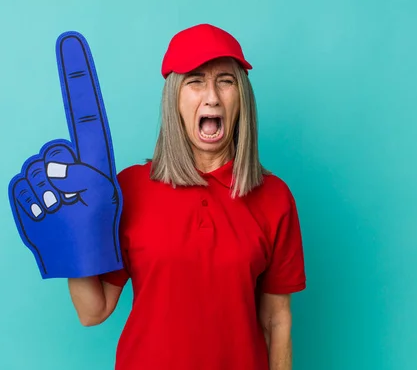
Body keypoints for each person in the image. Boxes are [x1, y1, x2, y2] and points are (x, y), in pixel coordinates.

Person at [67, 23, 306, 370]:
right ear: (174, 99)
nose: (211, 96)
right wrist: (72, 239)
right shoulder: (130, 189)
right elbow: (93, 311)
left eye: (225, 81)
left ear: (242, 97)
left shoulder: (273, 197)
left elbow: (276, 320)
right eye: (195, 81)